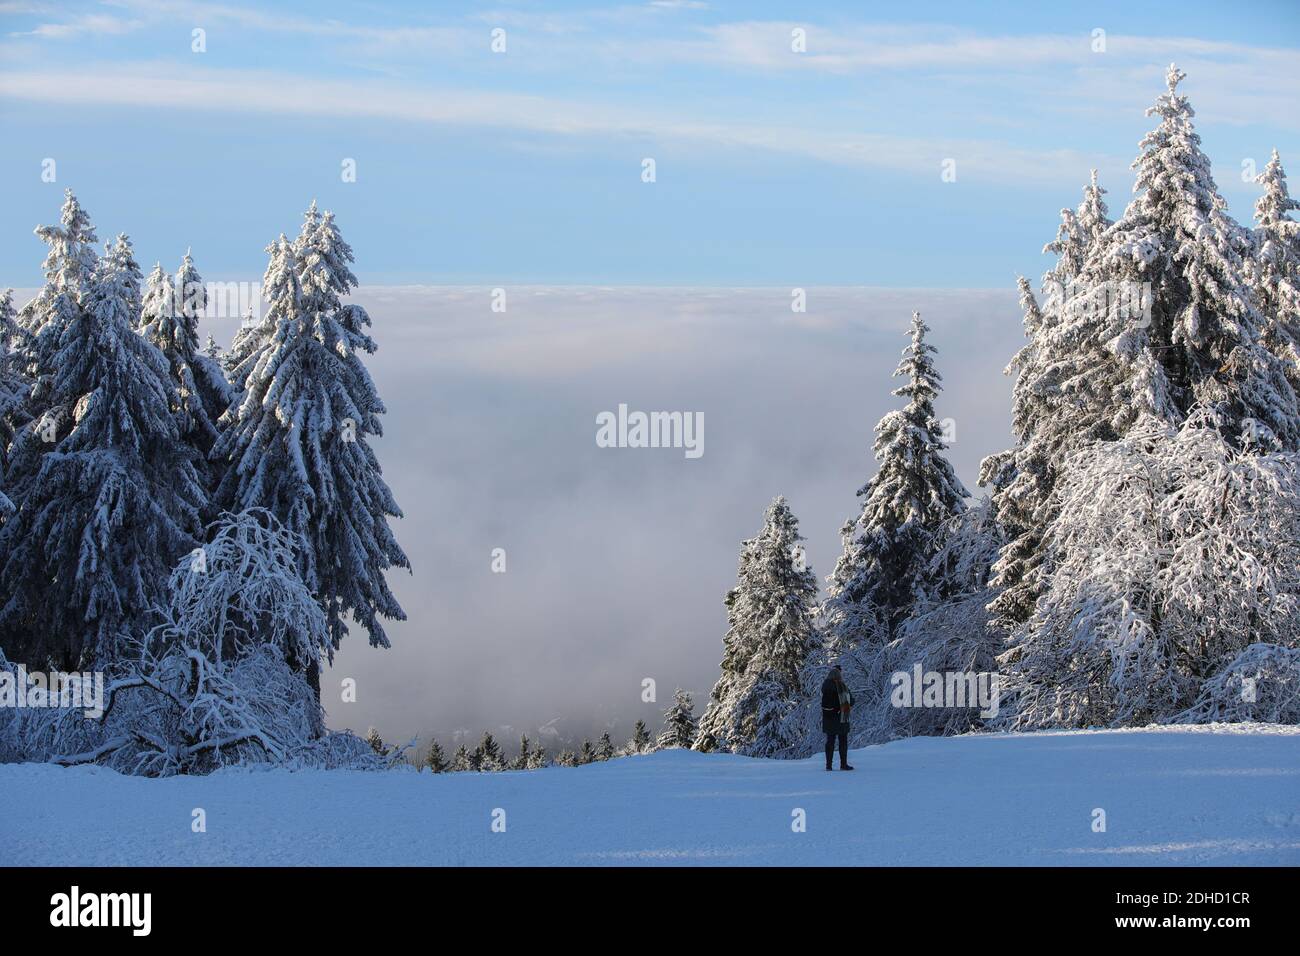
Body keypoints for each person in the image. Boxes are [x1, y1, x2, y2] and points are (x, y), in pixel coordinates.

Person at [820, 664, 854, 771]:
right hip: (840, 717)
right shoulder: (841, 686)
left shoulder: (825, 686)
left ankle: (828, 765)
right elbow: (851, 701)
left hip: (828, 718)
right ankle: (843, 764)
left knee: (830, 741)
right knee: (842, 740)